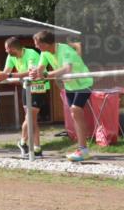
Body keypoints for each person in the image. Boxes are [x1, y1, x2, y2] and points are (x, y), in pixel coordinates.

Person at [30, 30, 94, 162]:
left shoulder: (64, 50)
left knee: (76, 110)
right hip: (70, 86)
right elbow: (41, 69)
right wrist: (35, 73)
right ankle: (82, 149)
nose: (36, 46)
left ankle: (83, 149)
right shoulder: (44, 52)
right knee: (74, 113)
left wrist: (46, 75)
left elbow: (67, 69)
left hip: (84, 82)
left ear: (47, 43)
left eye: (38, 44)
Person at [0, 36, 53, 158]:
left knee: (30, 117)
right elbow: (6, 72)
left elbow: (31, 72)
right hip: (26, 87)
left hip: (39, 86)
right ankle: (37, 148)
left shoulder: (31, 54)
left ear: (13, 48)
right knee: (32, 118)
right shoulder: (11, 57)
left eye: (6, 49)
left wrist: (8, 75)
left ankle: (22, 142)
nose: (5, 51)